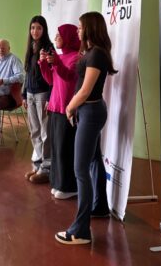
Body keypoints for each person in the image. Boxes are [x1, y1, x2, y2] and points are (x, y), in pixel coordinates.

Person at [55, 12, 117, 245]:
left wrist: (70, 107)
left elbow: (85, 90)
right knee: (93, 160)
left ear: (90, 28)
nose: (78, 30)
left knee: (80, 169)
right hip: (88, 111)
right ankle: (99, 207)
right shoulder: (91, 52)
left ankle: (80, 231)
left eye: (81, 27)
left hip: (90, 112)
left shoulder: (97, 54)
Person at [39, 24, 80, 199]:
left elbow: (69, 77)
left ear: (68, 37)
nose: (56, 37)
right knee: (56, 148)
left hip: (67, 109)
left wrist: (56, 63)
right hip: (55, 107)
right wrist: (43, 64)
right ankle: (57, 183)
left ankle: (69, 187)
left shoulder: (77, 58)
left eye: (59, 35)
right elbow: (51, 80)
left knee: (65, 149)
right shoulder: (60, 56)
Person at [22, 16, 53, 184]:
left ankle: (46, 168)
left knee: (45, 132)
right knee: (34, 131)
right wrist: (23, 94)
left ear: (44, 30)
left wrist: (49, 97)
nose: (35, 31)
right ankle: (38, 165)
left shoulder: (48, 48)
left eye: (39, 28)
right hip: (30, 94)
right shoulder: (31, 47)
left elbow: (52, 76)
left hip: (42, 94)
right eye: (32, 27)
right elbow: (27, 73)